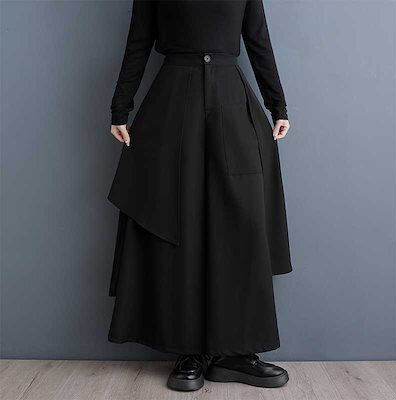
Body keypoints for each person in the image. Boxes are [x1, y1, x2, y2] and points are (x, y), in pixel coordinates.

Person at [108, 0, 292, 392]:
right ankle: (188, 351)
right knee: (180, 221)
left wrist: (278, 103)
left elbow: (258, 39)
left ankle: (234, 354)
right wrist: (120, 107)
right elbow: (138, 41)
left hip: (232, 101)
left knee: (240, 227)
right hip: (173, 103)